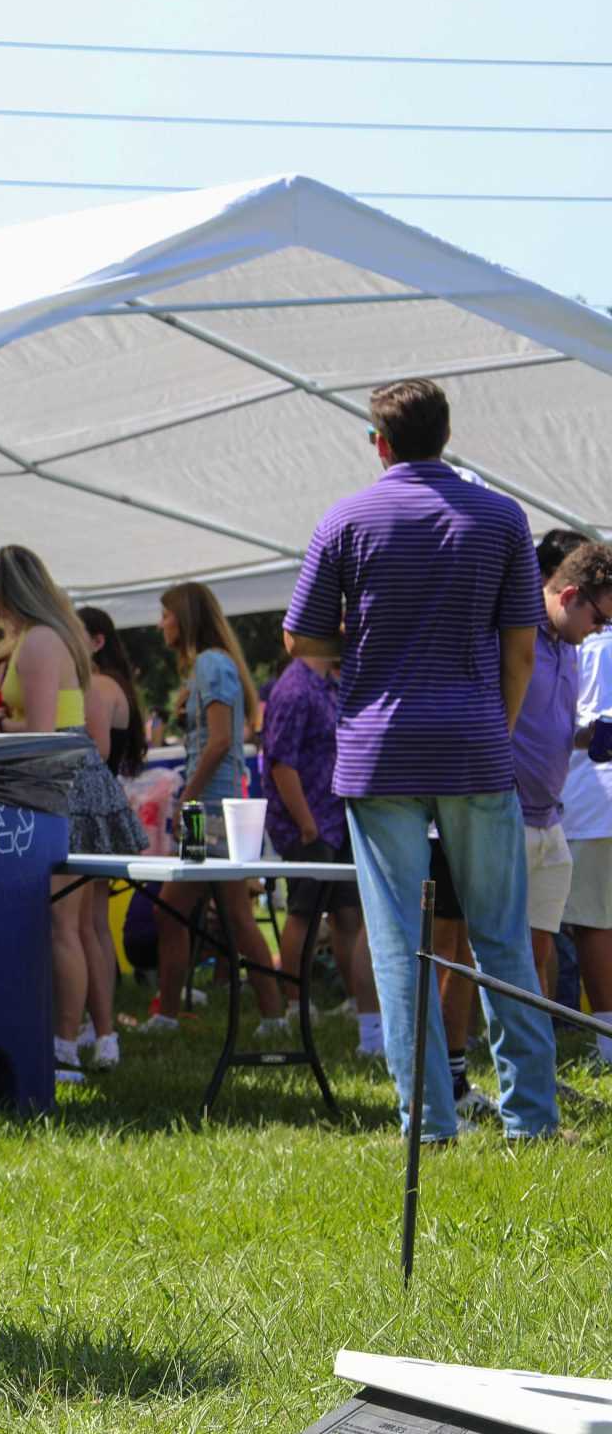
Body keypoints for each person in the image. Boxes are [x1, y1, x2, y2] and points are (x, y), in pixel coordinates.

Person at [282, 377, 556, 1143]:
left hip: (379, 752)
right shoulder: (503, 517)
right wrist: (493, 728)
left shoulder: (346, 517)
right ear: (446, 433)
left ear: (381, 442)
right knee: (503, 935)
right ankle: (531, 1118)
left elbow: (302, 639)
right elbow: (524, 647)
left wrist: (361, 651)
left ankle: (429, 1122)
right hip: (472, 743)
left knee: (400, 940)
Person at [0, 546, 143, 1085]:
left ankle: (63, 1049)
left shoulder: (37, 644)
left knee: (64, 927)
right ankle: (103, 1039)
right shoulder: (66, 638)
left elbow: (41, 733)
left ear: (2, 592)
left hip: (61, 785)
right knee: (91, 926)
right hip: (86, 781)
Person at [148, 581, 285, 1036]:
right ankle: (172, 1015)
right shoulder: (206, 668)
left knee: (227, 917)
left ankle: (273, 1016)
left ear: (184, 618)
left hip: (212, 813)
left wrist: (189, 794)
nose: (160, 623)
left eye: (166, 614)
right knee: (176, 912)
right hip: (206, 812)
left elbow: (223, 739)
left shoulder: (211, 664)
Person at [260, 631, 382, 1059]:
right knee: (303, 912)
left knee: (348, 914)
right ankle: (295, 1004)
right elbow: (280, 762)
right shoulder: (293, 689)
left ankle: (355, 1000)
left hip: (339, 819)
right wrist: (306, 823)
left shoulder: (328, 685)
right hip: (310, 823)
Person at [511, 543, 612, 1006]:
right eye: (599, 618)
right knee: (501, 948)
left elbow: (554, 728)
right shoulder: (516, 634)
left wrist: (588, 735)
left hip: (551, 815)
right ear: (570, 594)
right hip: (510, 813)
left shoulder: (569, 644)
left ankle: (534, 1053)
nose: (601, 629)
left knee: (539, 945)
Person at [75, 606, 146, 1067]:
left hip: (90, 808)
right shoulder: (115, 685)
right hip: (106, 807)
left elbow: (95, 750)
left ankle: (98, 1030)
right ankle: (101, 1031)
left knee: (84, 927)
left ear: (97, 641)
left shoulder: (97, 687)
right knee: (94, 926)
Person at [563, 597, 612, 1074]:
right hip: (594, 800)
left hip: (593, 800)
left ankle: (608, 1044)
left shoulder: (584, 648)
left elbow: (585, 727)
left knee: (596, 923)